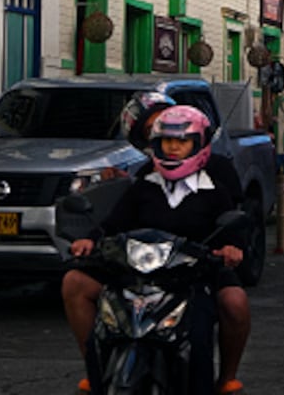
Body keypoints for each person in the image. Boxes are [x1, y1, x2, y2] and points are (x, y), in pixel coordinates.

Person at [62, 104, 251, 394]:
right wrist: (89, 239)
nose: (173, 148)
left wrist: (230, 248)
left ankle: (227, 379)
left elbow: (233, 229)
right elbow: (113, 224)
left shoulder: (215, 190)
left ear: (199, 145)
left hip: (194, 273)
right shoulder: (143, 186)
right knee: (74, 282)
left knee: (235, 302)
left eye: (182, 141)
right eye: (166, 141)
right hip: (140, 271)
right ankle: (95, 368)